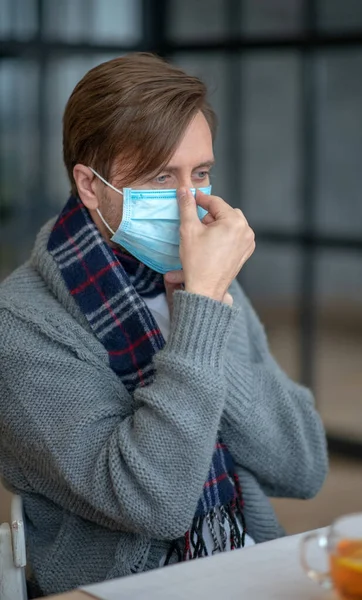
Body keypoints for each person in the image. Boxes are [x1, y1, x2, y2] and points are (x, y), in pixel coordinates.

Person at [0, 53, 328, 597]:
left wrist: (206, 300)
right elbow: (154, 501)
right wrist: (200, 314)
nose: (186, 202)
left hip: (242, 558)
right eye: (159, 176)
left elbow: (304, 466)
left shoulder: (205, 275)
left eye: (199, 173)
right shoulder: (21, 327)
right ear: (89, 185)